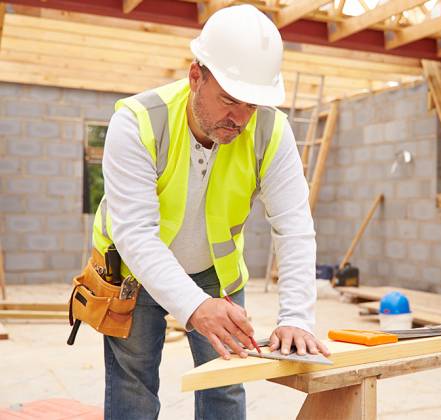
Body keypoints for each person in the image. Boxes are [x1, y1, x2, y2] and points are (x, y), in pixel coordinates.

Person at [94, 5, 329, 419]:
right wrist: (195, 307)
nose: (239, 119)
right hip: (133, 270)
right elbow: (134, 234)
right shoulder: (137, 123)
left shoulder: (271, 132)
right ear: (195, 77)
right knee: (134, 387)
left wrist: (296, 317)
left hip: (214, 272)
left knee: (225, 383)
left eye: (252, 105)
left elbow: (293, 226)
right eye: (229, 100)